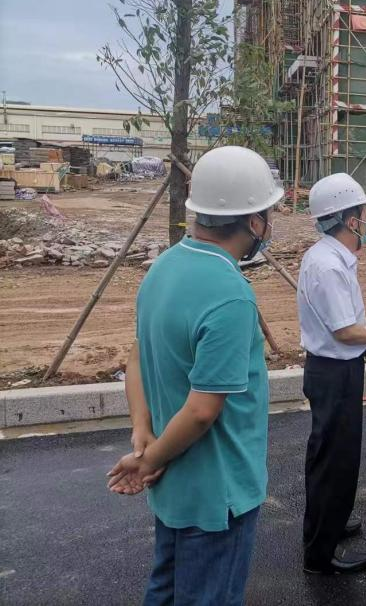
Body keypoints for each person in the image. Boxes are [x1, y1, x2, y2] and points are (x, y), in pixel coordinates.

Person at [108, 145, 281, 606]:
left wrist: (143, 433)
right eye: (268, 214)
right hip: (218, 493)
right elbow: (204, 410)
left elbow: (136, 357)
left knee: (165, 592)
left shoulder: (163, 267)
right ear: (254, 222)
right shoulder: (230, 295)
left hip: (174, 485)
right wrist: (147, 460)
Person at [297, 172, 366, 575]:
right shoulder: (329, 266)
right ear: (351, 220)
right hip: (335, 372)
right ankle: (320, 554)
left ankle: (328, 522)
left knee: (330, 456)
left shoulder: (327, 257)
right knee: (335, 461)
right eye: (365, 214)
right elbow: (344, 330)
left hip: (333, 370)